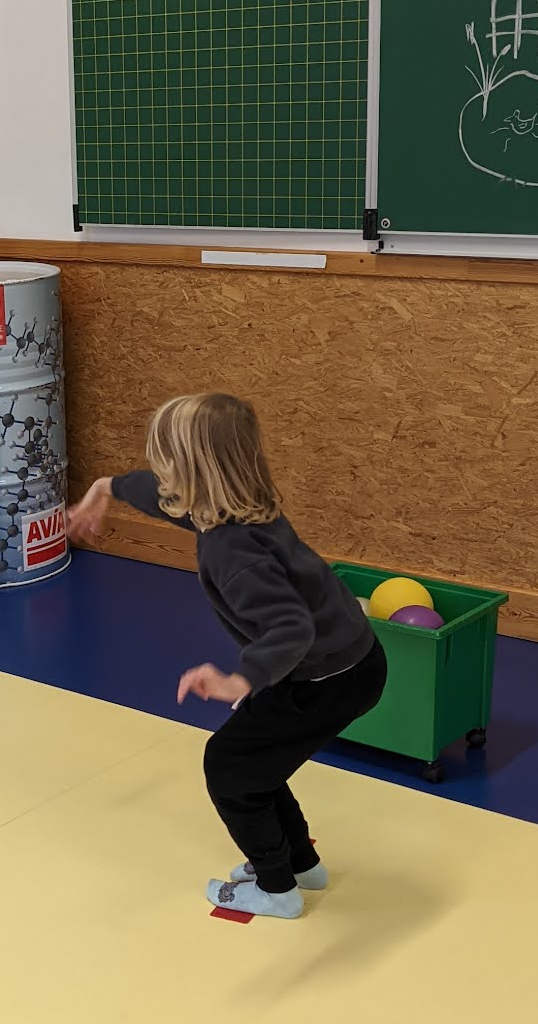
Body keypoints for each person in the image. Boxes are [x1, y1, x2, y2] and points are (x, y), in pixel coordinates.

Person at [67, 392, 387, 919]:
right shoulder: (241, 511)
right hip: (347, 663)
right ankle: (301, 864)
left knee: (229, 766)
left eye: (164, 463)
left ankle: (277, 888)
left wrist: (243, 680)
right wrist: (106, 487)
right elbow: (160, 497)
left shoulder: (231, 550)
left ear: (192, 475)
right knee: (255, 763)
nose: (158, 475)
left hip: (324, 678)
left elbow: (291, 627)